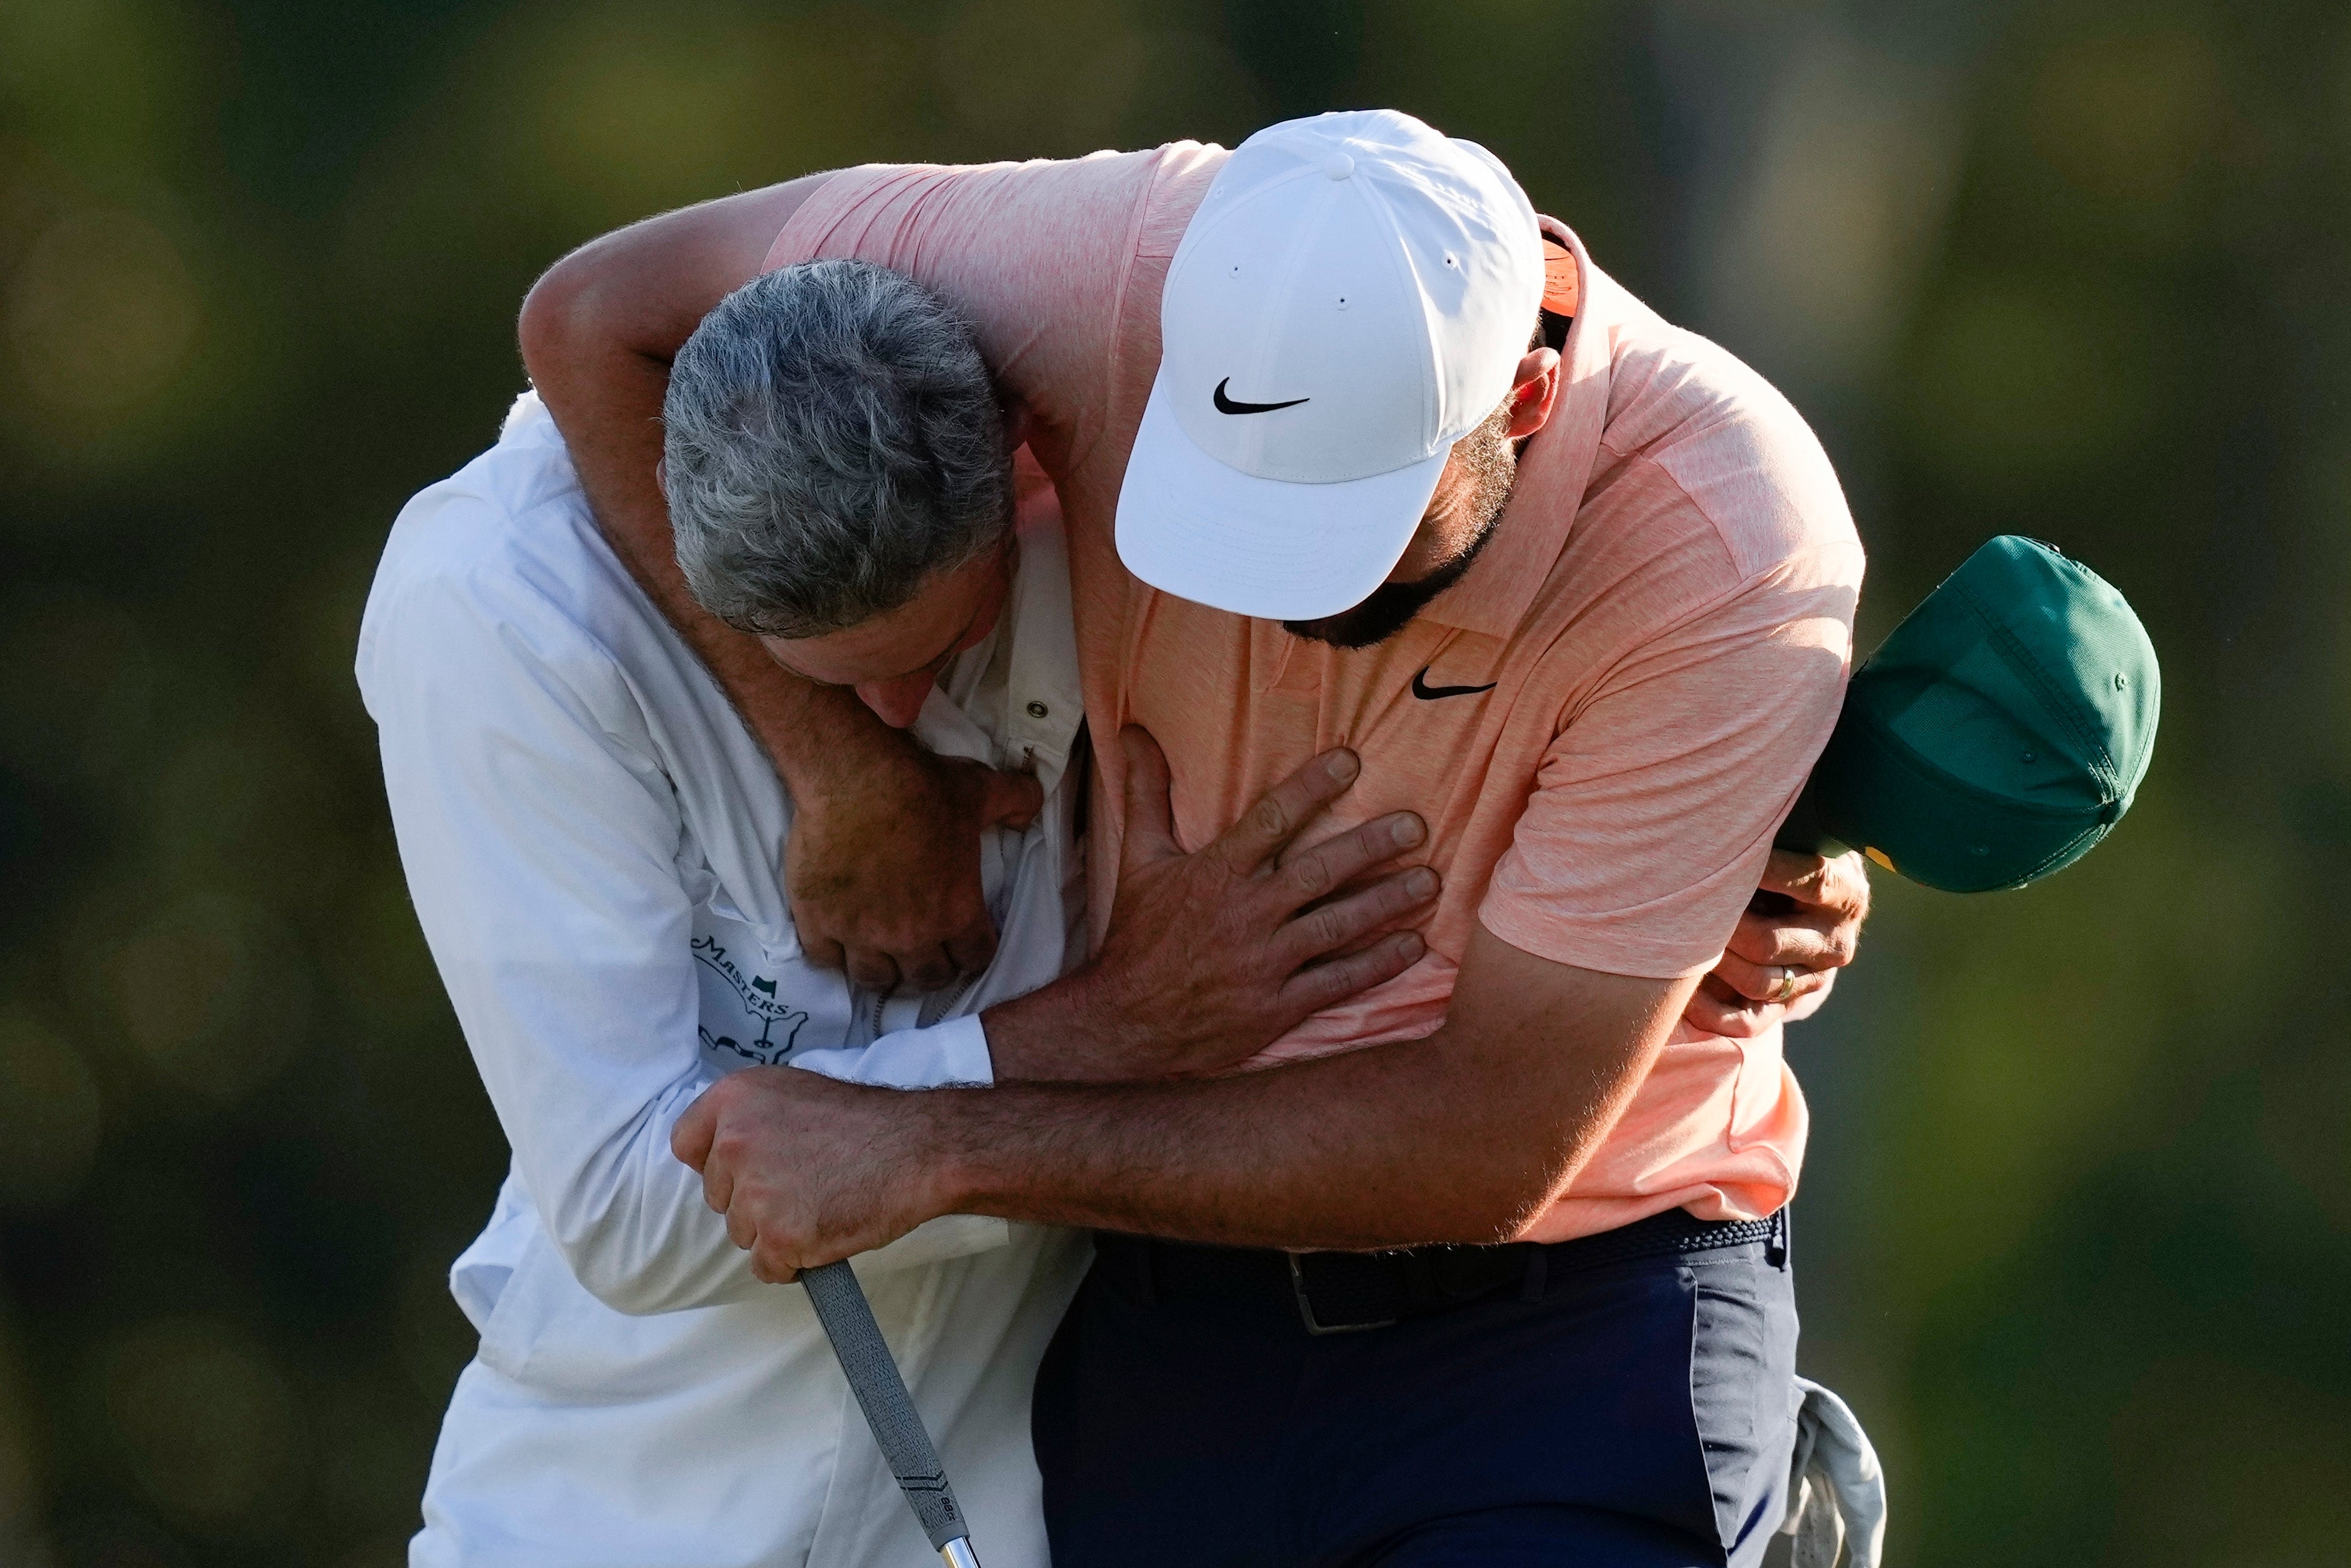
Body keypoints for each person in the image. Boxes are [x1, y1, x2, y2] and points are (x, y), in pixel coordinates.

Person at [526, 109, 1874, 1566]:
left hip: (1566, 1335)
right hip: (1173, 1333)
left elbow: (1484, 1139)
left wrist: (932, 1144)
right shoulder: (1108, 266)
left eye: (1347, 520)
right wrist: (843, 765)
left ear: (1528, 398)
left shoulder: (1727, 530)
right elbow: (595, 319)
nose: (1272, 585)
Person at [360, 260, 1435, 1567]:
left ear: (1018, 480)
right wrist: (1111, 1027)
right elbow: (629, 1206)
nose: (895, 713)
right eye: (835, 679)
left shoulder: (1132, 519)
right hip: (603, 1510)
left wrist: (1711, 882)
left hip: (1023, 1498)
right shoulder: (494, 605)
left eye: (937, 654)